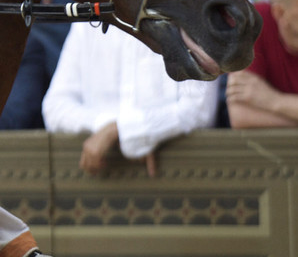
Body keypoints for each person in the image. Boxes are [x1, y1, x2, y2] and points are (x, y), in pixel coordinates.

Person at [43, 21, 221, 175]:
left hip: (177, 179)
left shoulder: (189, 13)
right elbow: (54, 106)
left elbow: (200, 110)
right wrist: (118, 130)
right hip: (103, 182)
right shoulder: (89, 22)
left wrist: (120, 131)